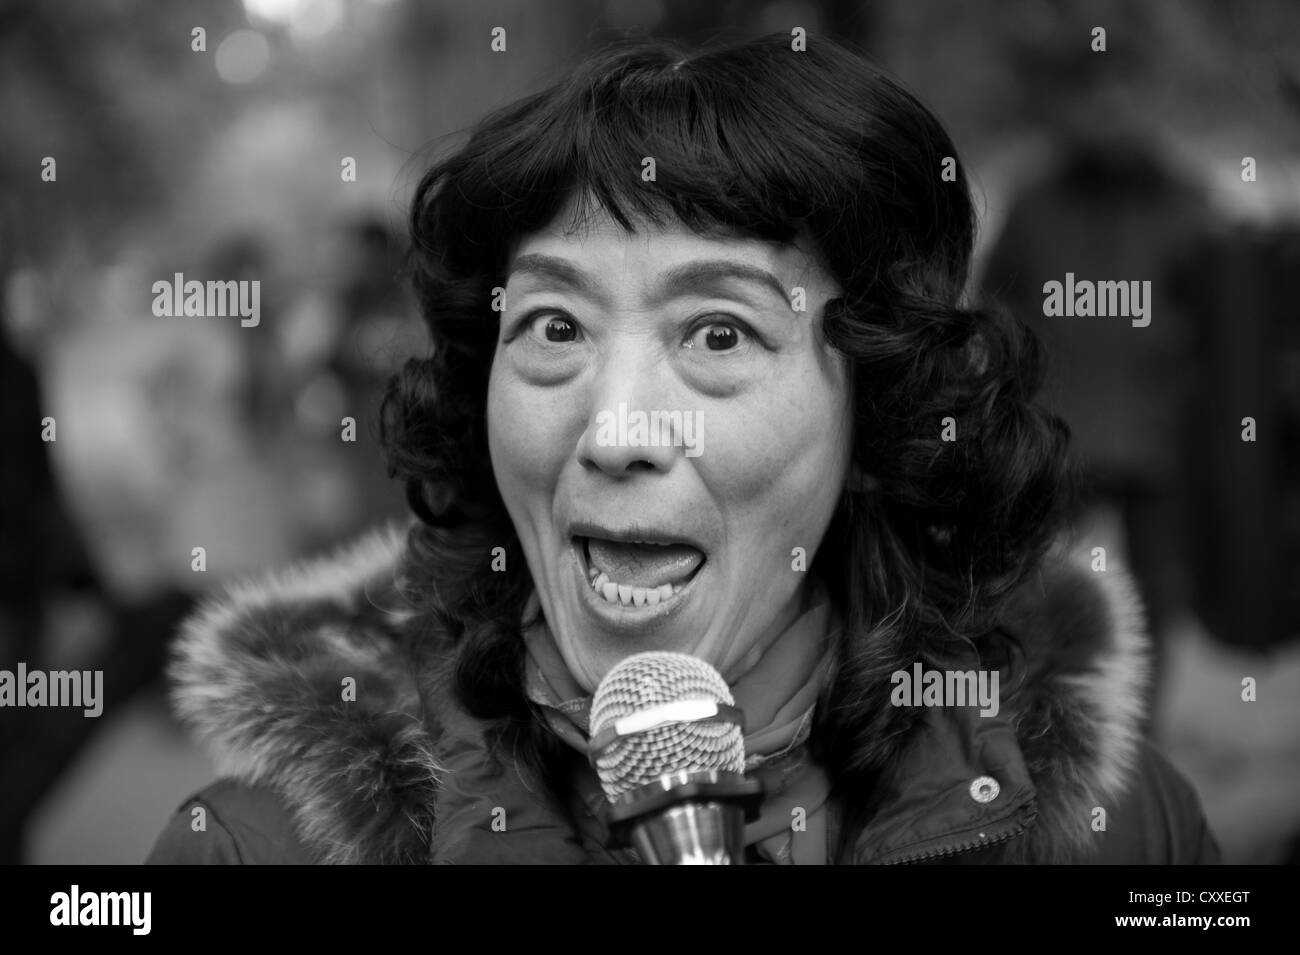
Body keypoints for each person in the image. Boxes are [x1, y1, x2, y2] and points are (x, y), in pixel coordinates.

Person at [146, 32, 1219, 864]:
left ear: (875, 415)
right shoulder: (257, 851)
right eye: (555, 329)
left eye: (718, 333)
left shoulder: (1115, 825)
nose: (616, 432)